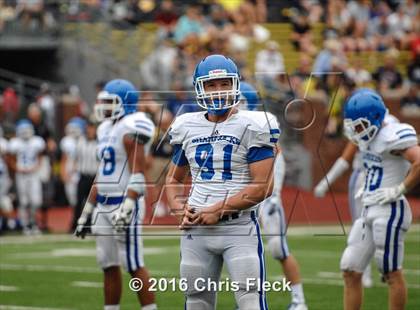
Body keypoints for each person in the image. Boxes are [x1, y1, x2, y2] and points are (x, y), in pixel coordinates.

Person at [165, 54, 280, 309]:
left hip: (238, 228)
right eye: (211, 85)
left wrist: (219, 210)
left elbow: (263, 186)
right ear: (199, 87)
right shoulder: (187, 125)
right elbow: (173, 179)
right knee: (197, 302)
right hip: (196, 230)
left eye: (225, 83)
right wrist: (178, 209)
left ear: (236, 85)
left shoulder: (253, 124)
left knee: (251, 302)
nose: (219, 91)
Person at [75, 79, 157, 310]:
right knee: (107, 264)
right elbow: (101, 175)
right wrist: (87, 211)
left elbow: (138, 173)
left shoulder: (131, 126)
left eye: (110, 102)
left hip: (124, 202)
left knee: (133, 263)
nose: (104, 106)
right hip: (103, 204)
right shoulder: (104, 128)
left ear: (125, 104)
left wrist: (129, 205)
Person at [340, 89, 420, 310]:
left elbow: (418, 161)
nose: (355, 130)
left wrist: (399, 189)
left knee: (391, 272)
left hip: (390, 209)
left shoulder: (393, 134)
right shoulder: (368, 136)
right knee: (350, 269)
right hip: (369, 207)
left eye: (359, 125)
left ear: (375, 118)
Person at [314, 88, 400, 288]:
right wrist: (325, 182)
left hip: (384, 179)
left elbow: (406, 156)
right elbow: (348, 156)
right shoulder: (369, 124)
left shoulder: (392, 126)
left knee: (382, 226)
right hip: (364, 177)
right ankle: (366, 271)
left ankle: (388, 267)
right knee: (362, 226)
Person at [239, 82, 307, 310]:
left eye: (238, 100)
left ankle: (299, 301)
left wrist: (273, 195)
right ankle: (248, 302)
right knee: (245, 255)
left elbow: (276, 157)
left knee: (279, 249)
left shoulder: (261, 127)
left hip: (267, 199)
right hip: (249, 200)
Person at [8, 119, 46, 235]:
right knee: (24, 202)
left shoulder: (37, 141)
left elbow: (40, 156)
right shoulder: (14, 142)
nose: (25, 133)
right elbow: (10, 159)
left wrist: (36, 167)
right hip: (21, 175)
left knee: (35, 201)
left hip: (33, 174)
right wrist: (17, 168)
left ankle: (34, 223)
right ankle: (25, 225)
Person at [71, 120, 98, 231]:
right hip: (83, 176)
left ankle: (90, 225)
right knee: (79, 201)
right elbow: (75, 158)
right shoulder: (80, 141)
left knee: (93, 203)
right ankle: (76, 225)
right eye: (89, 128)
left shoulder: (99, 142)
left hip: (94, 177)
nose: (90, 130)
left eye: (92, 128)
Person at [60, 117, 87, 209]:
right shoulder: (66, 141)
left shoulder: (85, 140)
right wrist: (63, 173)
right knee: (73, 200)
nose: (73, 130)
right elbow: (64, 159)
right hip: (70, 172)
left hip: (82, 172)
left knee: (84, 199)